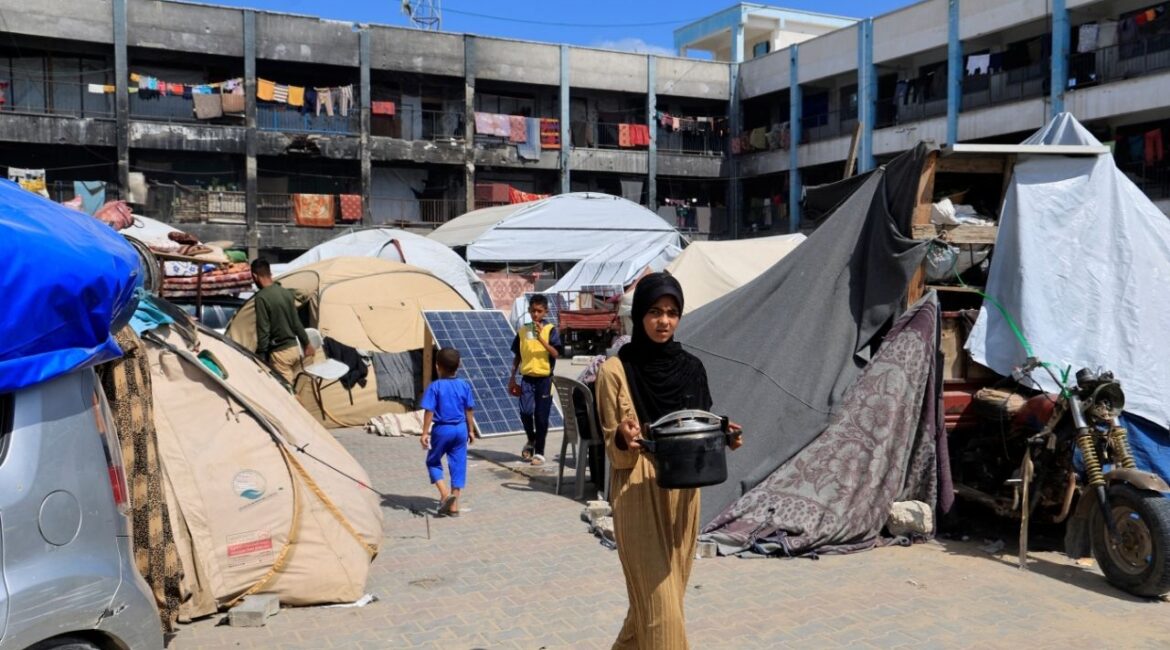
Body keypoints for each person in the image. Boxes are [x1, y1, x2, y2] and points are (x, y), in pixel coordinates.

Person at [594, 272, 742, 650]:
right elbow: (613, 446)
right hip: (637, 490)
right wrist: (624, 438)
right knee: (661, 609)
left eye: (672, 312)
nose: (664, 321)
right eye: (656, 312)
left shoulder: (691, 368)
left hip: (683, 494)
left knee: (656, 607)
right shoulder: (615, 371)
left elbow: (698, 432)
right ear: (640, 314)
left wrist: (724, 438)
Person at [419, 348, 477, 517]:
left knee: (433, 461)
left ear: (438, 367)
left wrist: (424, 433)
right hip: (461, 430)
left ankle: (445, 495)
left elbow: (429, 411)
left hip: (442, 430)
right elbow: (469, 410)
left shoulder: (435, 386)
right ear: (459, 365)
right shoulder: (464, 385)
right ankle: (454, 506)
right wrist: (471, 431)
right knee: (458, 466)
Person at [507, 294, 561, 466]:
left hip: (545, 379)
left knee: (541, 417)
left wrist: (540, 339)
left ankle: (540, 453)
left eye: (539, 311)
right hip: (527, 379)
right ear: (529, 311)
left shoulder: (550, 330)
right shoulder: (523, 331)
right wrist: (512, 377)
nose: (536, 314)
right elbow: (517, 355)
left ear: (545, 311)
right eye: (533, 311)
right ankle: (531, 439)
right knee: (525, 412)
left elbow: (556, 353)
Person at [250, 259, 314, 383]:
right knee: (295, 386)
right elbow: (296, 322)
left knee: (287, 394)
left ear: (255, 276)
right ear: (270, 274)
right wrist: (306, 343)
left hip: (280, 354)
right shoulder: (286, 293)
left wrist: (261, 356)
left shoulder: (261, 297)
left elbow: (263, 329)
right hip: (295, 350)